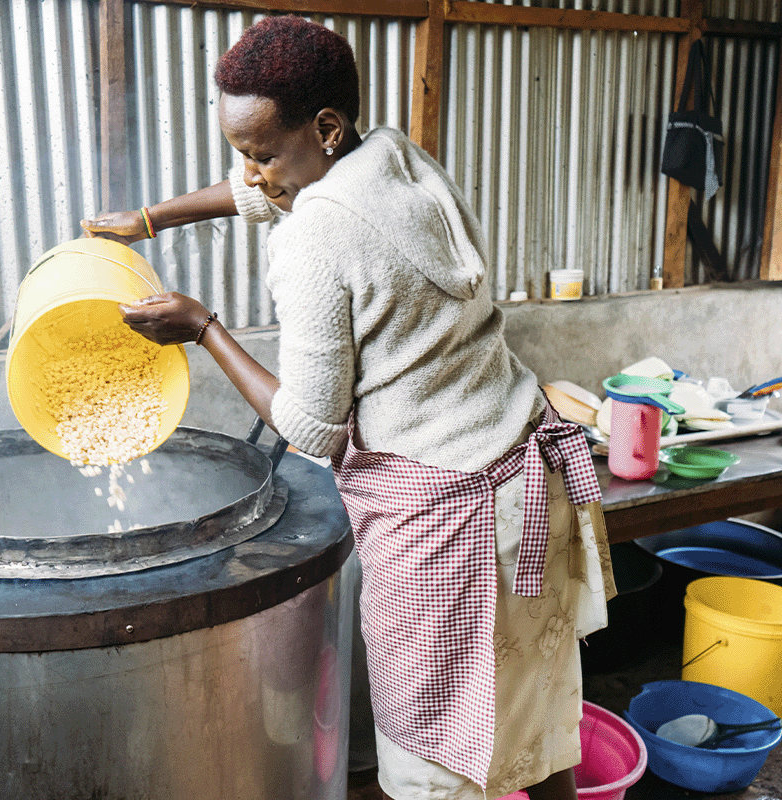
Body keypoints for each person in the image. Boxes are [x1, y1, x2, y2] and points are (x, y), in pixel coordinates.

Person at [82, 15, 614, 800]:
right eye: (240, 153)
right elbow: (268, 194)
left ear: (324, 129)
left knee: (437, 758)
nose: (253, 175)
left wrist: (204, 330)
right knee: (534, 713)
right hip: (519, 470)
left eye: (261, 152)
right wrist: (153, 219)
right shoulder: (391, 158)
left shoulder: (317, 235)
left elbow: (309, 428)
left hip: (447, 521)